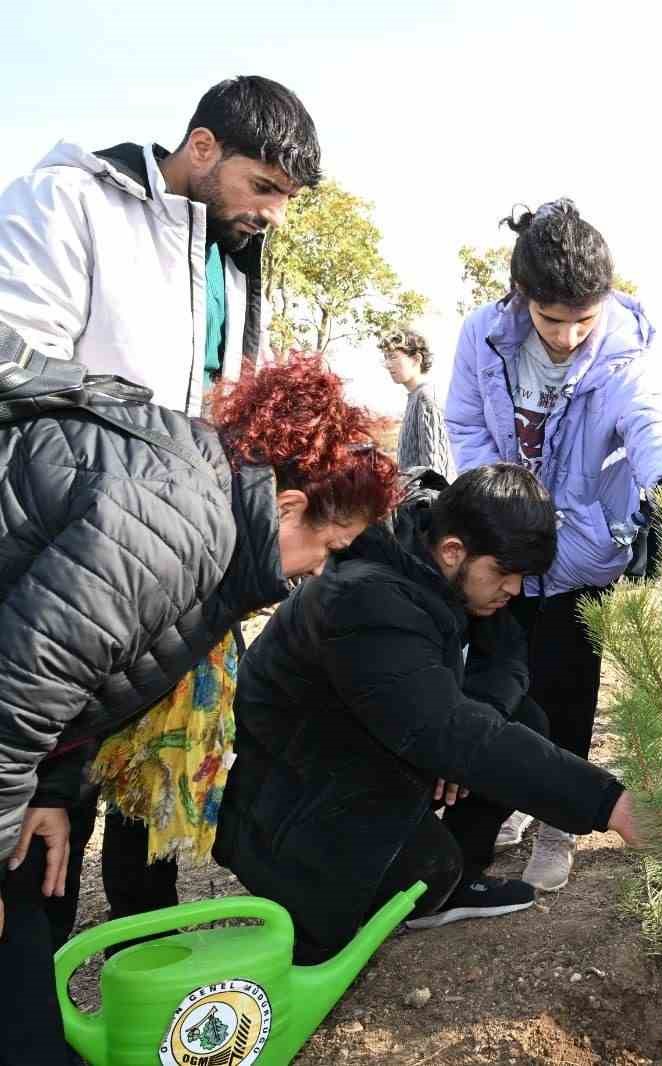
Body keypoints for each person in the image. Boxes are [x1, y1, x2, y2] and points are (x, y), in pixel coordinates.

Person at [0, 345, 396, 1066]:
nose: (322, 569)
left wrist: (52, 790)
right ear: (289, 505)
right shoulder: (175, 529)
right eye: (330, 547)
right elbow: (15, 691)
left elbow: (70, 665)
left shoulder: (207, 502)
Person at [215, 464, 652, 959]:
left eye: (523, 579)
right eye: (505, 576)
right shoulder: (367, 594)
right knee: (423, 872)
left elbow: (507, 656)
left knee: (519, 719)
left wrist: (468, 729)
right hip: (294, 794)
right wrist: (610, 804)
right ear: (452, 552)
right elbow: (446, 729)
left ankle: (450, 884)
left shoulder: (448, 564)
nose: (512, 590)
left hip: (364, 745)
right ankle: (322, 910)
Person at [446, 199, 662, 893]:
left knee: (566, 694)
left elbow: (647, 424)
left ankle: (558, 826)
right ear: (521, 299)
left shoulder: (622, 352)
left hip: (579, 555)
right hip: (506, 542)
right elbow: (465, 423)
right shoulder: (483, 338)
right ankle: (511, 797)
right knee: (499, 685)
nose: (569, 336)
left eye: (583, 319)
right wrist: (501, 500)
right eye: (551, 320)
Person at [0, 75, 320, 414]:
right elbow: (19, 375)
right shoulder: (64, 200)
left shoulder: (235, 256)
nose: (277, 216)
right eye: (262, 186)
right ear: (202, 148)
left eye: (288, 198)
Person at [384, 328, 455, 480]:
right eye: (386, 358)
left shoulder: (426, 397)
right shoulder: (415, 397)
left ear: (416, 359)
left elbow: (436, 470)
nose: (387, 364)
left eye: (393, 357)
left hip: (430, 500)